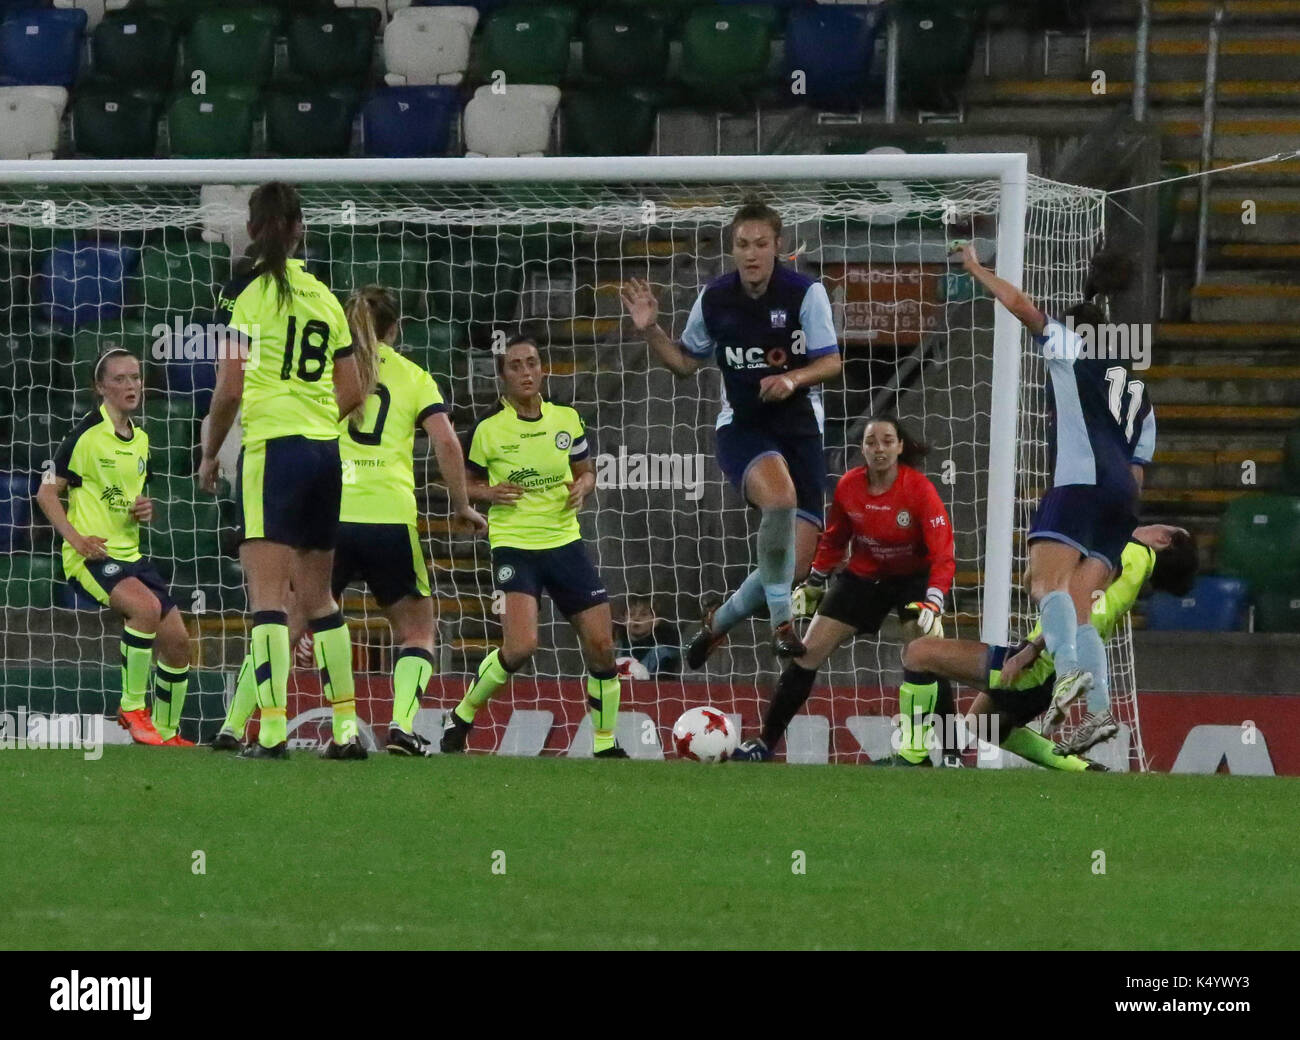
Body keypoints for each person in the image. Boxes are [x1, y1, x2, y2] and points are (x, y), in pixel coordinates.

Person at [210, 286, 486, 756]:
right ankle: (400, 725)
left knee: (288, 617)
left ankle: (234, 725)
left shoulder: (327, 373)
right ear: (395, 330)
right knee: (418, 630)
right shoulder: (414, 376)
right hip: (389, 516)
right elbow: (446, 443)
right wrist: (461, 503)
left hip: (333, 504)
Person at [620, 198, 841, 663]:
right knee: (779, 501)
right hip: (742, 428)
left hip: (800, 431)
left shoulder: (805, 293)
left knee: (793, 565)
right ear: (733, 248)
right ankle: (784, 623)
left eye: (761, 243)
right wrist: (651, 329)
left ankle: (718, 622)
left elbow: (831, 362)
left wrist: (791, 379)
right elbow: (684, 362)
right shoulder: (716, 298)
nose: (751, 253)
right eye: (742, 244)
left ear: (777, 246)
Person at [959, 243, 1155, 746]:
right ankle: (1098, 709)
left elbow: (1022, 306)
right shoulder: (1138, 391)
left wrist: (978, 269)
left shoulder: (1069, 347)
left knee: (1044, 585)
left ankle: (1067, 672)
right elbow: (1136, 475)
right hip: (1121, 503)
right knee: (1081, 603)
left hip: (1079, 480)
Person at [199, 181, 365, 760]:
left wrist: (208, 448)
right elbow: (353, 387)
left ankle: (270, 731)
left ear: (251, 230)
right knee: (319, 599)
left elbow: (231, 387)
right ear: (300, 230)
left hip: (274, 451)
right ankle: (346, 733)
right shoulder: (323, 297)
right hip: (324, 454)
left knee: (268, 597)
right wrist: (317, 417)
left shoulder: (249, 297)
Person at [440, 335, 626, 757]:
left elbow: (586, 472)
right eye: (516, 366)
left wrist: (584, 487)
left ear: (543, 369)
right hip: (515, 546)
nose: (525, 372)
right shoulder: (487, 430)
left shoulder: (566, 420)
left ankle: (604, 742)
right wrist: (488, 493)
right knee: (521, 646)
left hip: (564, 541)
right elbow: (464, 485)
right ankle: (463, 713)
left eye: (532, 363)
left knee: (601, 644)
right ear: (503, 375)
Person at [731, 417, 956, 765]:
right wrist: (816, 582)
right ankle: (765, 742)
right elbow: (835, 539)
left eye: (886, 441)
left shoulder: (919, 489)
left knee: (925, 656)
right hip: (863, 579)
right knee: (806, 653)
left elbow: (942, 552)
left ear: (899, 447)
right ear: (862, 448)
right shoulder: (849, 487)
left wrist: (935, 600)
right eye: (871, 442)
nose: (878, 449)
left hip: (913, 581)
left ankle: (949, 753)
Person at [903, 524, 1197, 768]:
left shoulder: (1130, 554)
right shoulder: (1136, 569)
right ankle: (1083, 769)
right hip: (1049, 669)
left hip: (1039, 665)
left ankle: (913, 758)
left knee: (919, 653)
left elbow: (1089, 613)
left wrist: (1032, 649)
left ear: (1164, 539)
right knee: (982, 723)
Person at [35, 349, 193, 746]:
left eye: (135, 378)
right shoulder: (85, 435)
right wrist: (77, 541)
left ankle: (168, 732)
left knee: (177, 641)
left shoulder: (140, 439)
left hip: (131, 554)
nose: (130, 386)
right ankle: (131, 708)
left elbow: (132, 496)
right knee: (145, 609)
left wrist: (144, 508)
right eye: (120, 379)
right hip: (91, 557)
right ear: (100, 387)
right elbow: (46, 493)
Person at [614, 595, 681, 678]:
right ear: (623, 620)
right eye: (631, 614)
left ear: (656, 621)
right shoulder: (615, 649)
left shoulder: (662, 654)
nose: (636, 618)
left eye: (644, 614)